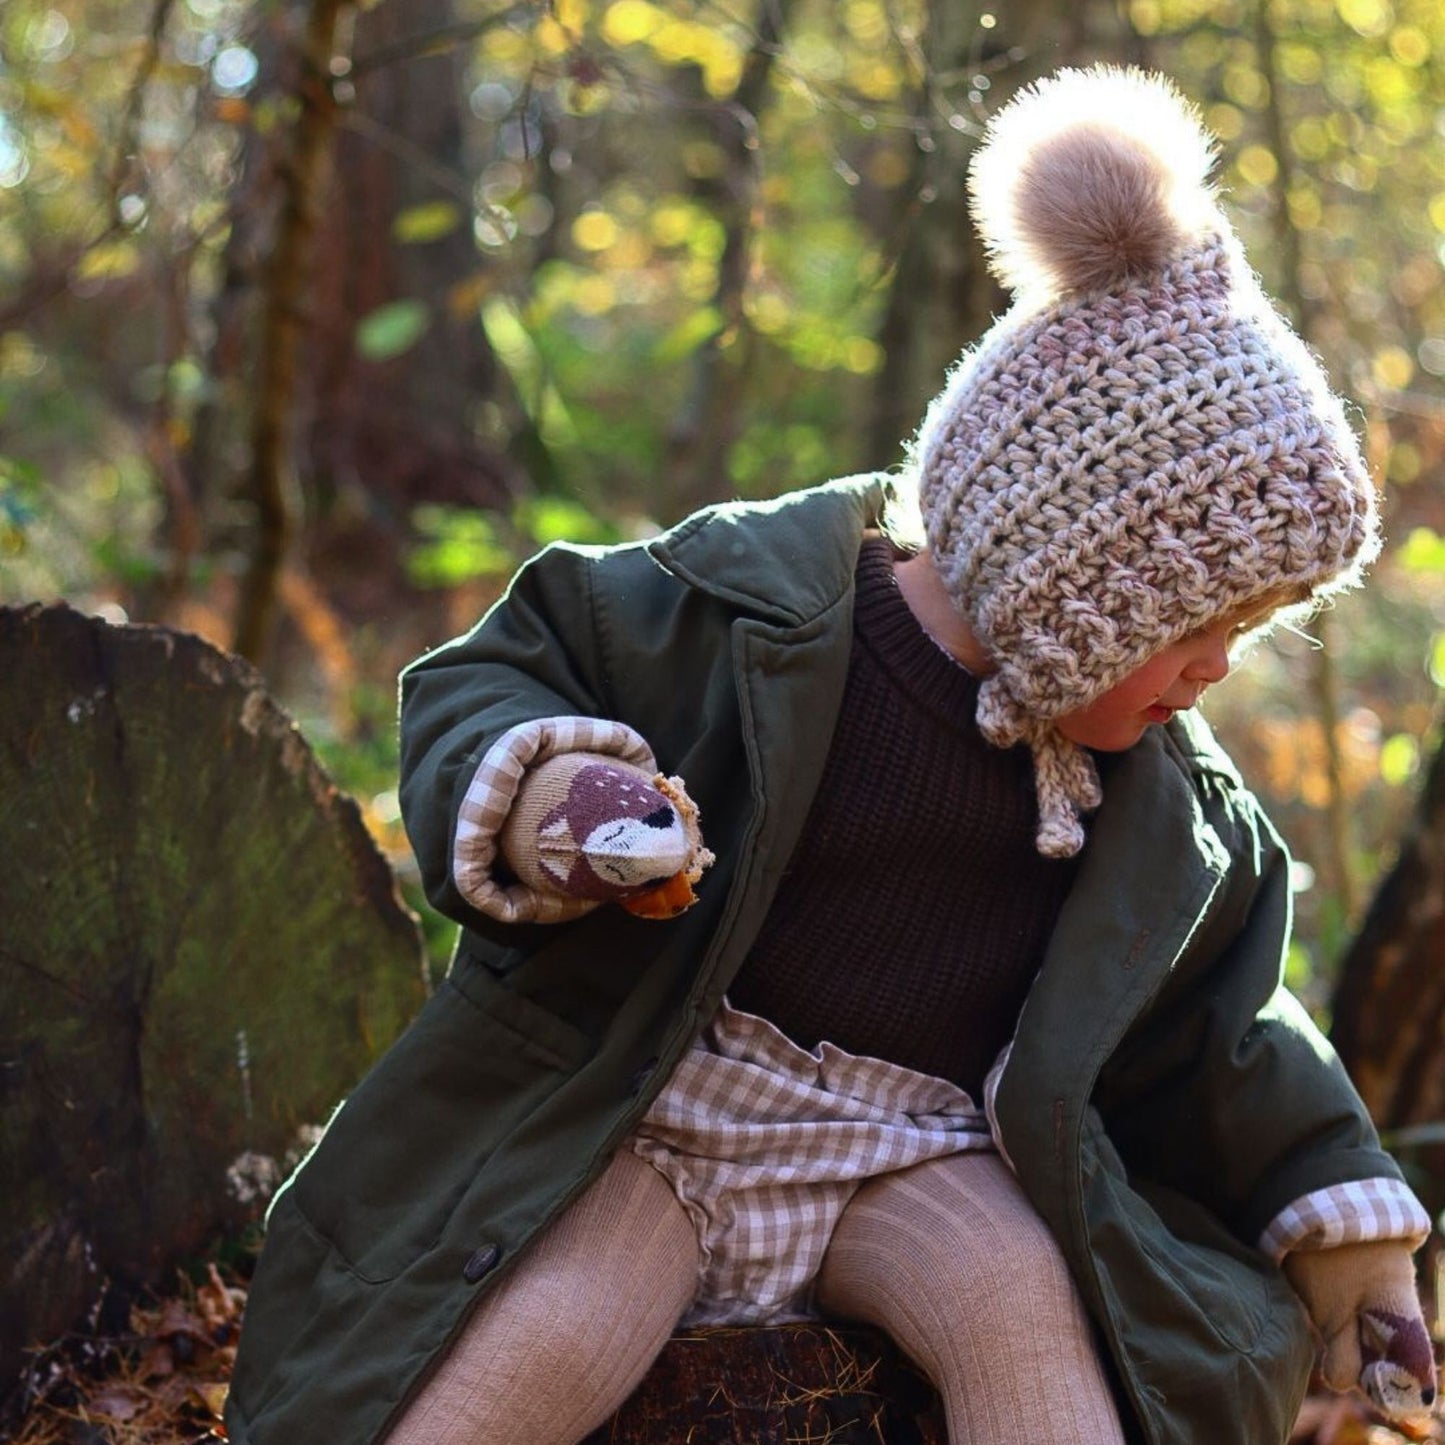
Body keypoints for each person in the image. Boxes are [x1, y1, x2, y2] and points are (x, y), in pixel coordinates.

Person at [225, 66, 1439, 1445]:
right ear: (1067, 577)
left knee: (1027, 1316)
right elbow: (507, 671)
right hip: (663, 1108)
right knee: (540, 1338)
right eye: (1196, 625)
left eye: (1249, 629)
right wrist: (560, 795)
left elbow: (1229, 1033)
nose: (1216, 667)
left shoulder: (1160, 807)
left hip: (923, 1150)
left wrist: (1356, 1251)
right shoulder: (747, 621)